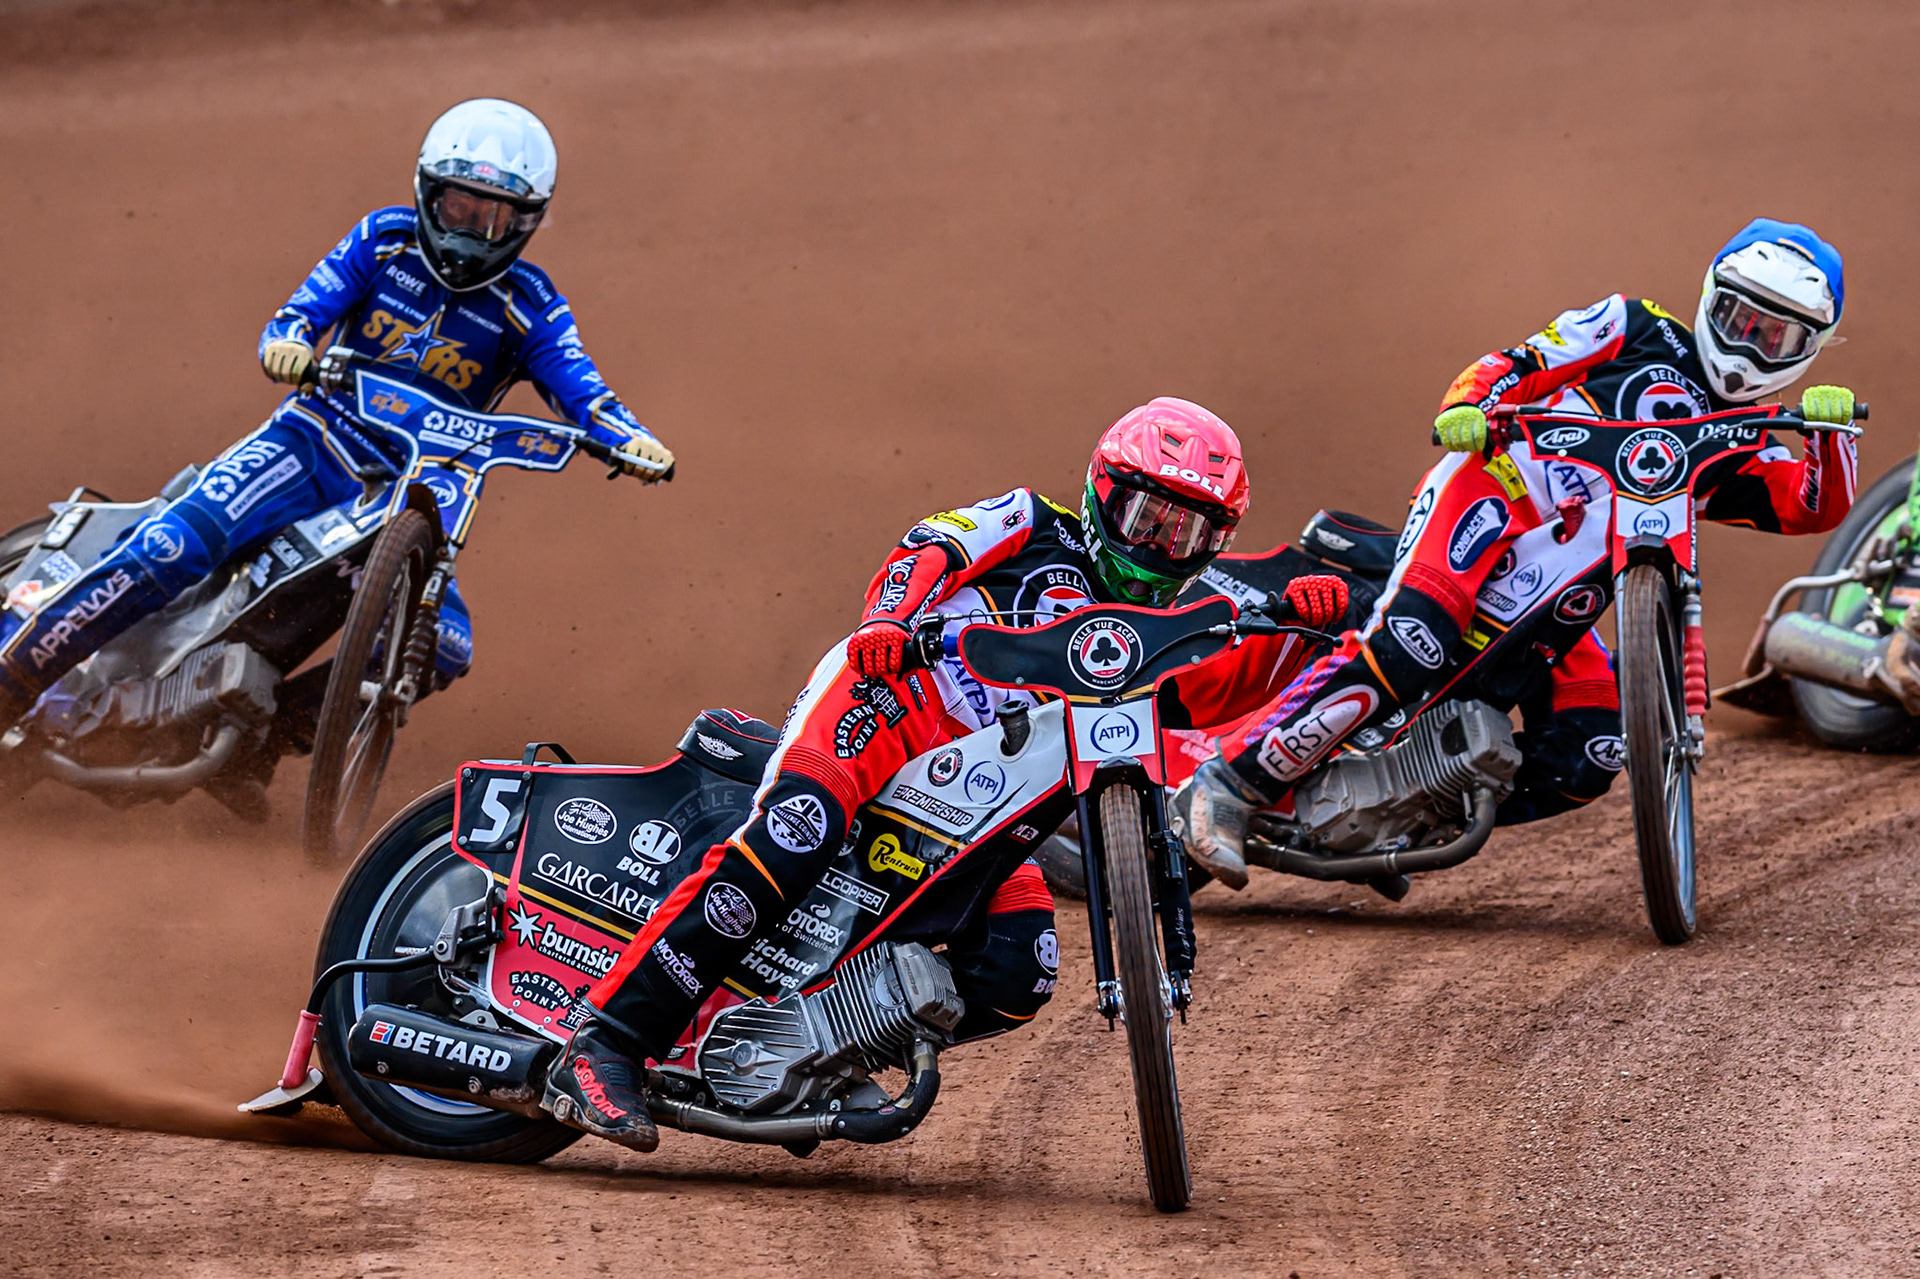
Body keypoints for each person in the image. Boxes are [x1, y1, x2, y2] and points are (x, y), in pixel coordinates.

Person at [541, 397, 1352, 1150]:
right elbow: (932, 543)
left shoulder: (1169, 621)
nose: (1155, 548)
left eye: (1186, 535)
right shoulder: (1033, 520)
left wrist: (1302, 628)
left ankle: (819, 1041)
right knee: (800, 831)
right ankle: (607, 1040)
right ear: (1103, 491)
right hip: (890, 701)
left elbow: (1209, 693)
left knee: (1020, 962)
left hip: (985, 791)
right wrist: (891, 619)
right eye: (1145, 517)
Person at [1176, 217, 1862, 889]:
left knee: (1594, 748)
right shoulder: (1636, 324)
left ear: (1811, 348)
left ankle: (1409, 811)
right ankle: (1230, 783)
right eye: (1741, 318)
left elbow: (1810, 506)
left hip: (1560, 606)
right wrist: (1470, 401)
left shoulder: (1752, 437)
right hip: (1496, 493)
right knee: (1416, 639)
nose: (1749, 345)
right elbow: (1525, 362)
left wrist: (1832, 432)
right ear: (1712, 296)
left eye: (1777, 336)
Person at [0, 98, 673, 732]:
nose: (467, 233)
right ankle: (12, 679)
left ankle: (261, 740)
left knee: (443, 643)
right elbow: (295, 319)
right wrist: (289, 345)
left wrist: (630, 439)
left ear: (524, 222)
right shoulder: (383, 240)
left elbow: (588, 397)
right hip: (313, 441)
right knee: (176, 544)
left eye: (490, 219)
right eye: (456, 206)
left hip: (421, 487)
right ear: (426, 192)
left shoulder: (533, 305)